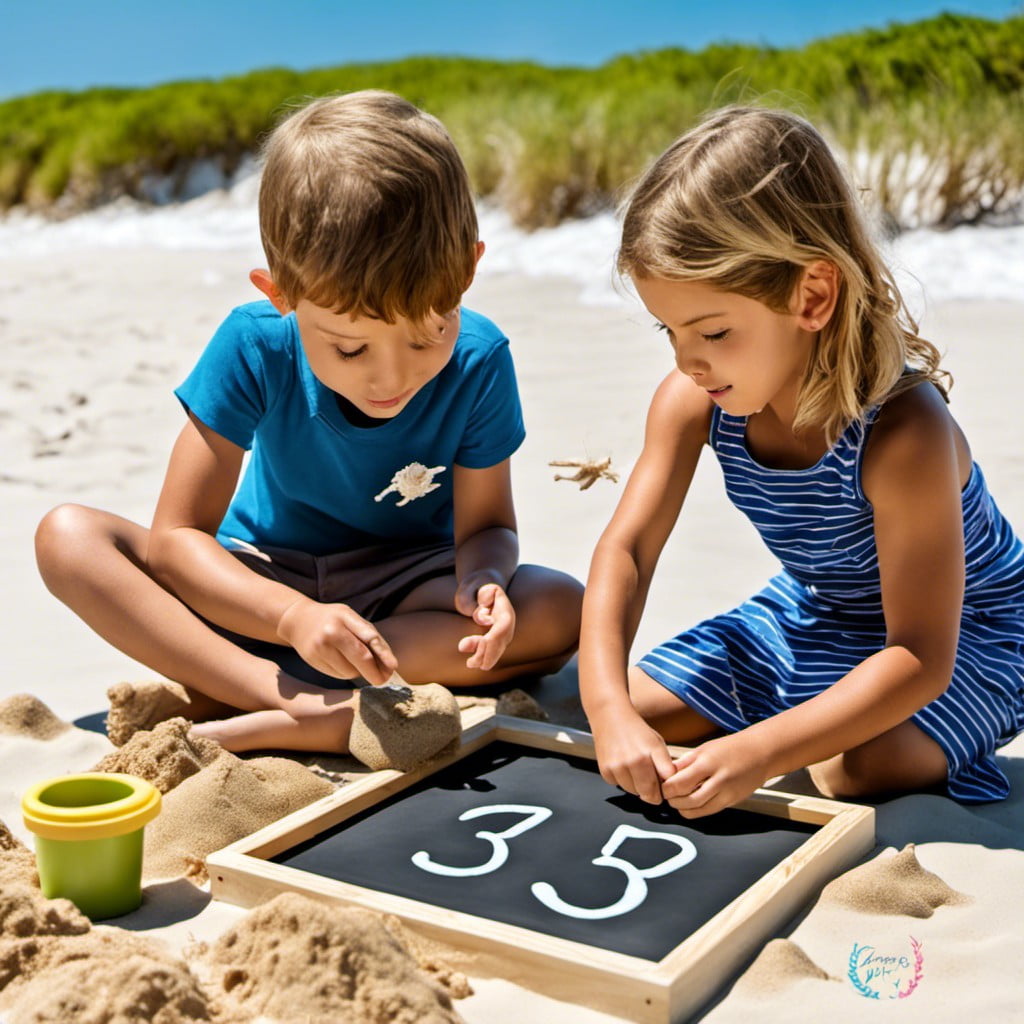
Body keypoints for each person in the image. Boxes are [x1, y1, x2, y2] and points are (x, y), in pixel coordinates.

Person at [35, 90, 582, 755]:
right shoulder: (255, 342)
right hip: (263, 585)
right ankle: (302, 704)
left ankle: (259, 691)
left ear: (469, 268)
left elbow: (489, 527)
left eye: (428, 334)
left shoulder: (480, 360)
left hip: (402, 591)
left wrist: (483, 579)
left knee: (560, 608)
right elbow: (178, 538)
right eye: (350, 348)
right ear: (280, 295)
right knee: (68, 538)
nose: (392, 378)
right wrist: (292, 617)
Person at [579, 106, 1024, 818]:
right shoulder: (693, 398)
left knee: (855, 769)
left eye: (714, 331)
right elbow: (627, 550)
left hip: (967, 633)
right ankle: (792, 713)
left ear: (811, 295)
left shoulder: (904, 434)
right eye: (669, 329)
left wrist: (757, 753)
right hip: (819, 615)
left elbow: (919, 655)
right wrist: (607, 710)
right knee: (634, 708)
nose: (686, 360)